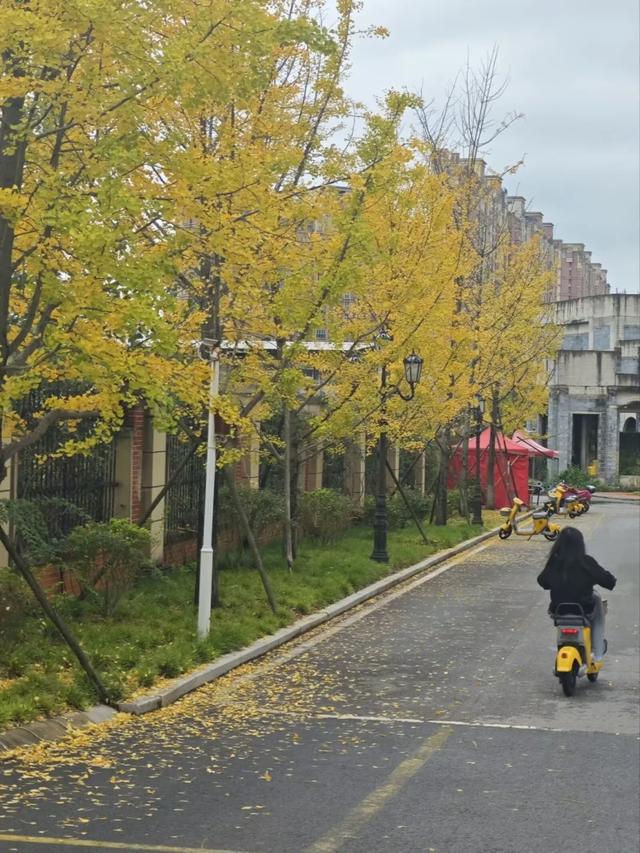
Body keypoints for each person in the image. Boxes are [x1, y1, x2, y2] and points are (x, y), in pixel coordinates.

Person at [537, 526, 616, 661]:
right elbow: (608, 581)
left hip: (558, 611)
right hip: (584, 610)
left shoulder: (555, 562)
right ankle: (597, 653)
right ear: (580, 544)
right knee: (598, 607)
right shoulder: (587, 562)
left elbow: (542, 581)